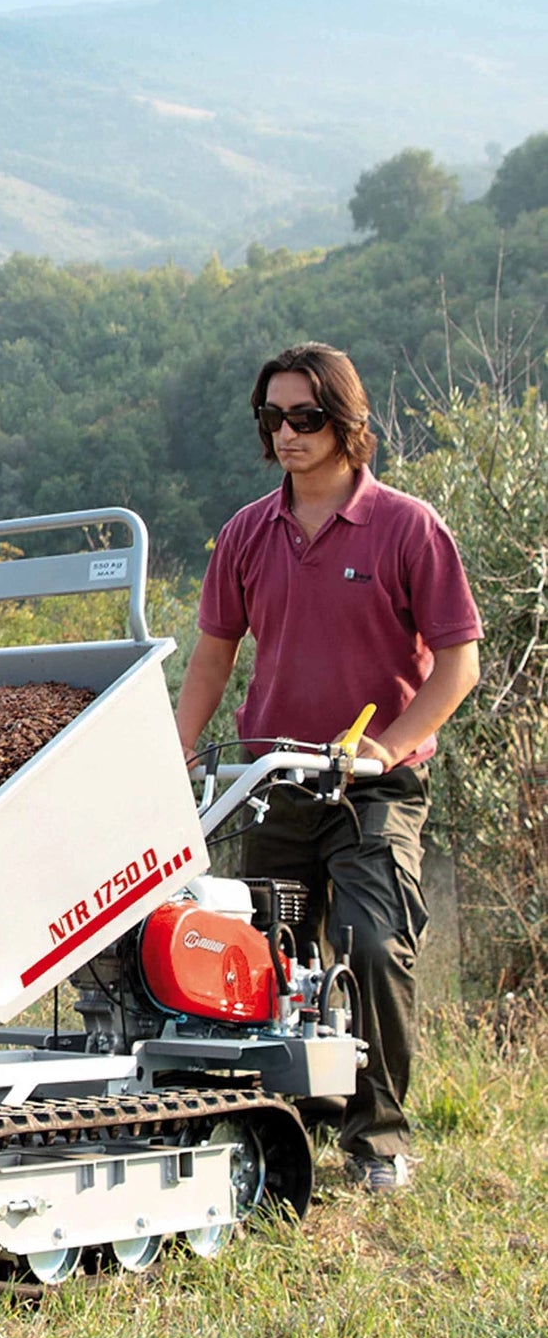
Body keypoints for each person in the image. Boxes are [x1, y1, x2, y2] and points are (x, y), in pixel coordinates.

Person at [174, 341, 481, 1192]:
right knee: (264, 960)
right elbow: (210, 659)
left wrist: (385, 742)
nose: (286, 433)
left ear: (347, 422)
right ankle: (286, 1129)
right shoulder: (245, 532)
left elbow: (459, 664)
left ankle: (377, 1137)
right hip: (270, 782)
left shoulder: (408, 528)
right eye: (271, 417)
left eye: (304, 416)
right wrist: (173, 749)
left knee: (370, 943)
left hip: (374, 785)